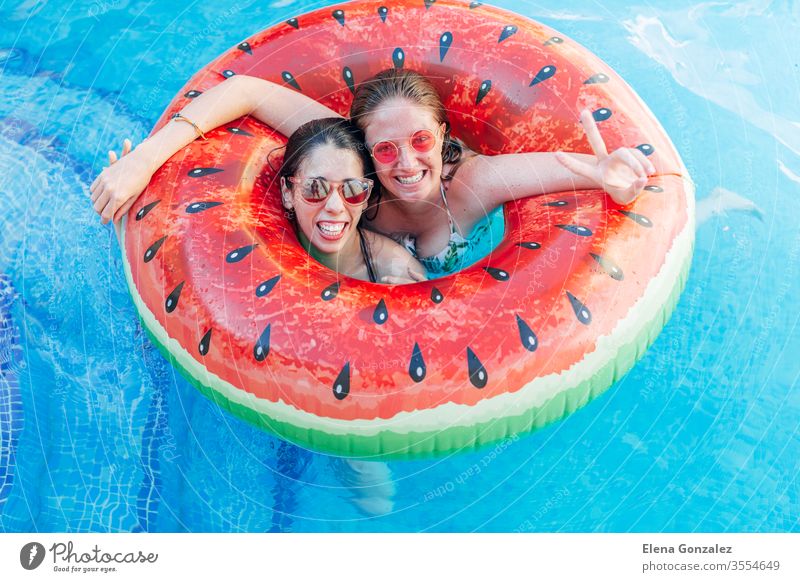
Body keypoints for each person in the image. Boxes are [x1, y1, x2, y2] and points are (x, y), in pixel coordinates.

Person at [91, 69, 655, 275]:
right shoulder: (347, 156)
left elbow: (572, 172)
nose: (407, 165)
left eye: (420, 142)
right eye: (385, 151)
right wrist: (144, 160)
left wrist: (613, 174)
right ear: (364, 148)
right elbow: (242, 90)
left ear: (441, 137)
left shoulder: (475, 186)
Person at [95, 117, 425, 284]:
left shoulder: (394, 268)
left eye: (352, 189)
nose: (336, 206)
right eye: (315, 188)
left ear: (367, 195)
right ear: (287, 192)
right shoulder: (255, 248)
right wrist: (130, 214)